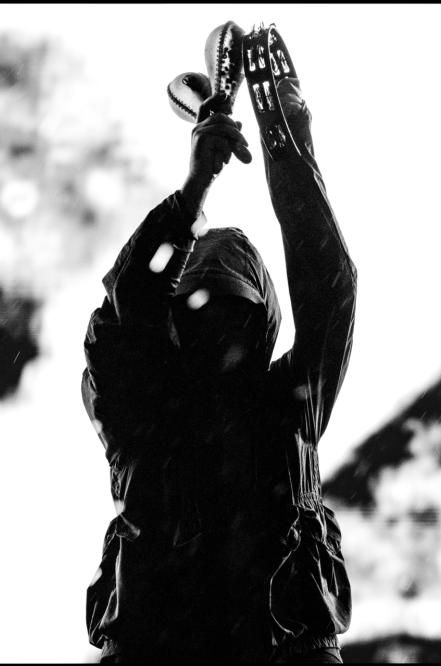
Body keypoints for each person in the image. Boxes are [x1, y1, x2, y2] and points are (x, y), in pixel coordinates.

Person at [81, 71, 356, 663]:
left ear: (260, 322)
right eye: (202, 308)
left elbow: (330, 292)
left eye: (234, 310)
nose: (218, 327)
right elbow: (127, 313)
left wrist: (286, 143)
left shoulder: (287, 405)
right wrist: (194, 191)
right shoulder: (140, 411)